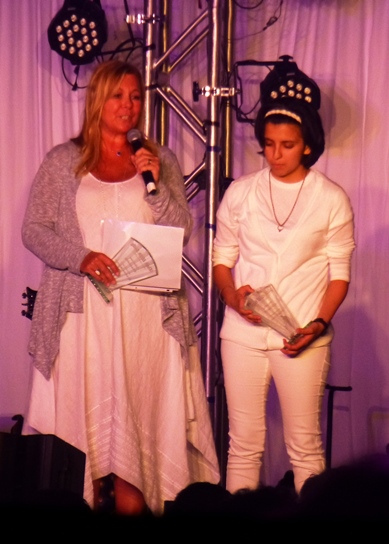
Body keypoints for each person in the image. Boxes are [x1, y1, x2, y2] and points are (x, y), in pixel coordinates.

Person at [21, 59, 220, 515]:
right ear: (98, 100)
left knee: (139, 419)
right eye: (118, 96)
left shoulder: (159, 159)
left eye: (135, 97)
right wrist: (82, 257)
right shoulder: (63, 160)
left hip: (145, 318)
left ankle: (137, 504)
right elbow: (35, 229)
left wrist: (155, 185)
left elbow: (181, 229)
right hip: (83, 313)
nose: (129, 106)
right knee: (87, 430)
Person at [212, 59, 355, 495]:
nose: (276, 154)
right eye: (269, 144)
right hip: (242, 333)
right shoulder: (241, 191)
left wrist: (316, 326)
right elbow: (222, 260)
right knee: (243, 446)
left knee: (305, 449)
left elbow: (339, 274)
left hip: (302, 336)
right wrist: (234, 299)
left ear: (307, 146)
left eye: (287, 145)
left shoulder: (330, 198)